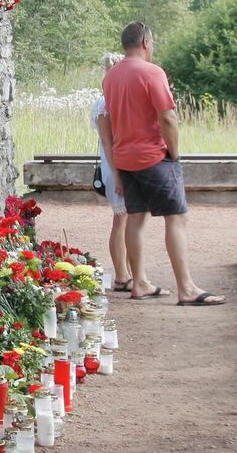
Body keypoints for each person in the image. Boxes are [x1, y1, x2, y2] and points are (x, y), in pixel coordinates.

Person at [101, 22, 222, 306]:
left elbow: (108, 121)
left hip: (125, 159)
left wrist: (116, 166)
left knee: (136, 218)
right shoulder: (152, 72)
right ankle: (186, 288)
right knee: (176, 218)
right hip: (154, 157)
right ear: (145, 42)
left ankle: (139, 281)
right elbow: (167, 117)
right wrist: (175, 155)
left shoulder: (111, 78)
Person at [91, 51, 135, 293]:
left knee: (128, 219)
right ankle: (121, 274)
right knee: (121, 220)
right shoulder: (105, 104)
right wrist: (118, 175)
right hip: (114, 165)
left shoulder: (113, 100)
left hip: (121, 164)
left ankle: (130, 272)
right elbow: (108, 144)